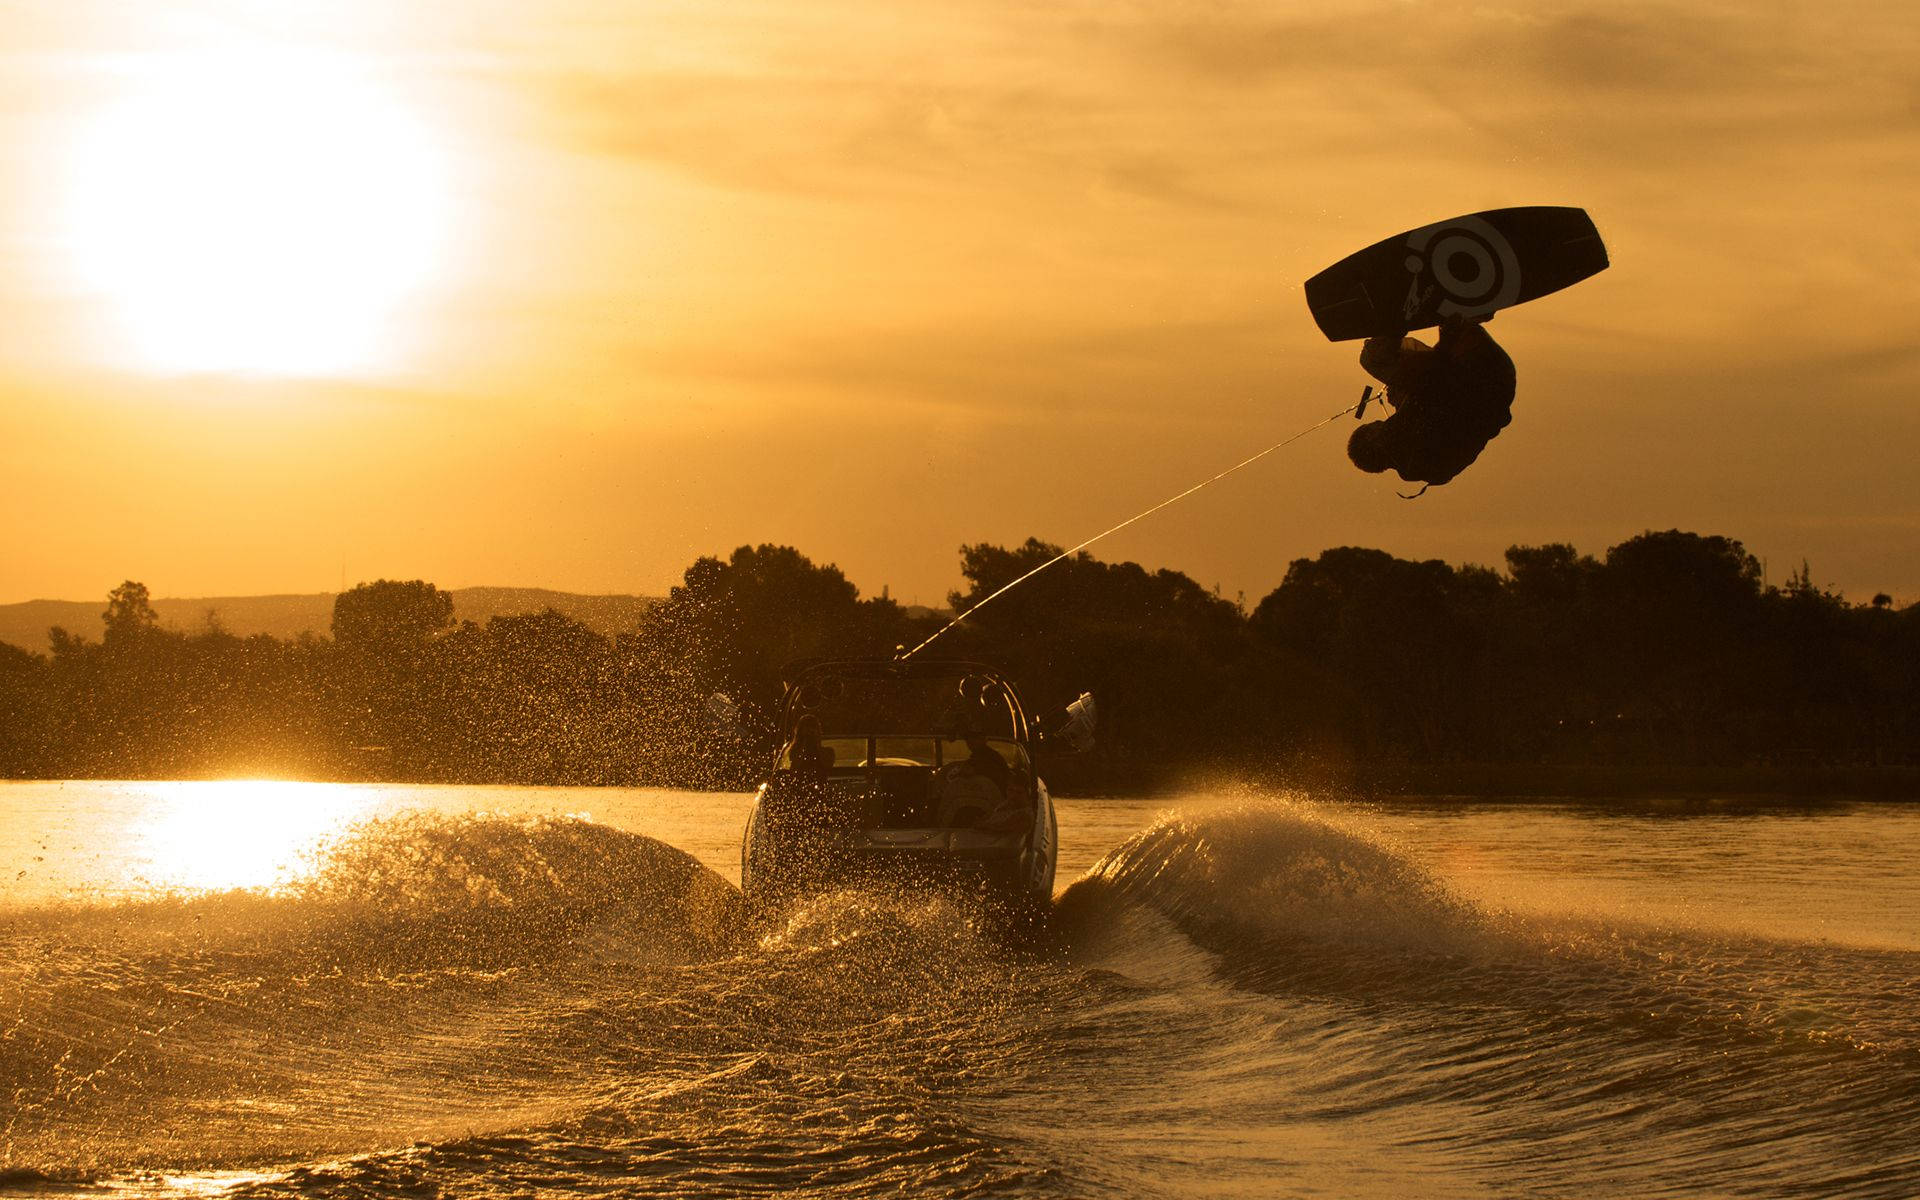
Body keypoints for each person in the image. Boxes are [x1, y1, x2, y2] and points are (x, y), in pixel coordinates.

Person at [1347, 314, 1516, 494]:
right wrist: (1447, 339)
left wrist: (1403, 398)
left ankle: (1462, 317)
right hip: (1479, 371)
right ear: (1372, 440)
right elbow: (1439, 395)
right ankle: (1405, 315)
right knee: (1372, 359)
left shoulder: (1420, 461)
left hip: (1499, 377)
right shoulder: (1407, 442)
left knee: (1448, 333)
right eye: (1375, 426)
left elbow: (1436, 405)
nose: (1382, 423)